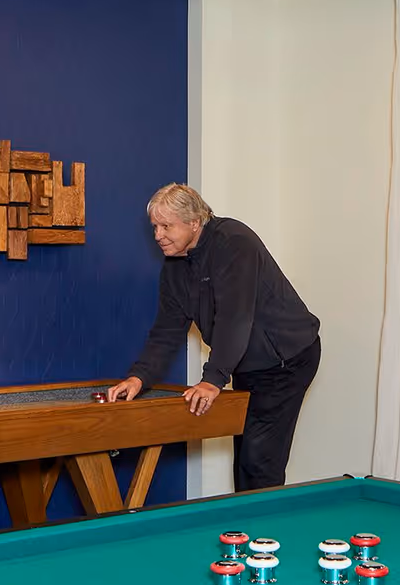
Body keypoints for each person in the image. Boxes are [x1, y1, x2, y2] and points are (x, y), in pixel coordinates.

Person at [107, 183, 322, 492]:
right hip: (249, 362)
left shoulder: (234, 242)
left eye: (166, 226)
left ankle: (263, 536)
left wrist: (213, 379)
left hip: (287, 358)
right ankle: (246, 528)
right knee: (247, 455)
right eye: (154, 226)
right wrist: (138, 377)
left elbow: (235, 317)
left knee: (259, 459)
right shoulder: (174, 268)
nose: (157, 235)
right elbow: (167, 331)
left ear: (194, 222)